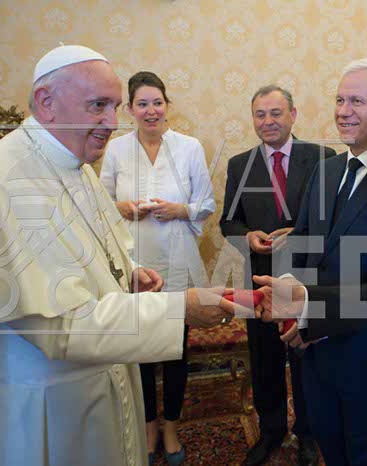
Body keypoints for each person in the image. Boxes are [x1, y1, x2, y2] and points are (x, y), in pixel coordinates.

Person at [0, 45, 241, 466]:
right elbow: (60, 326)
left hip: (93, 377)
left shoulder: (74, 166)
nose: (112, 122)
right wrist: (179, 309)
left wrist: (129, 271)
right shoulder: (0, 184)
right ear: (46, 102)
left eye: (114, 106)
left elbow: (97, 247)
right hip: (39, 404)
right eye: (98, 106)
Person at [254, 59, 367, 466]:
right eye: (340, 100)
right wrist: (294, 312)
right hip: (313, 352)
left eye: (357, 101)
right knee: (330, 450)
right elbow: (304, 247)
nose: (343, 111)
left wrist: (311, 313)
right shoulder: (326, 171)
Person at [100, 70, 216, 465]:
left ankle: (171, 425)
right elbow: (100, 205)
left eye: (157, 102)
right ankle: (148, 425)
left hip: (178, 260)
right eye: (142, 104)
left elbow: (206, 203)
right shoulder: (116, 150)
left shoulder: (188, 147)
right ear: (130, 109)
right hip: (134, 262)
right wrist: (124, 208)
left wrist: (180, 210)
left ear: (167, 105)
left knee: (176, 348)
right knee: (142, 348)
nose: (151, 111)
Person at [219, 85, 335, 466]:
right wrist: (247, 236)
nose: (268, 121)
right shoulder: (239, 165)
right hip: (260, 280)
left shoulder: (322, 158)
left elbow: (332, 219)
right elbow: (228, 221)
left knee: (306, 360)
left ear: (293, 115)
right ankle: (271, 432)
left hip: (306, 280)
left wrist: (298, 232)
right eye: (260, 114)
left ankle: (308, 434)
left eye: (276, 113)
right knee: (265, 360)